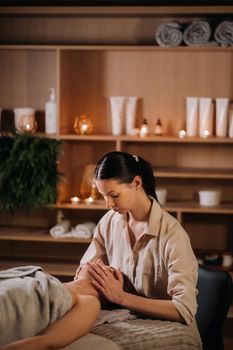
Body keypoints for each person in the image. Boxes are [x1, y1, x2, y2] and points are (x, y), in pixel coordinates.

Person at [75, 151, 200, 332]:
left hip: (167, 326)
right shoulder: (109, 221)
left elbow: (184, 309)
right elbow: (87, 272)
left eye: (114, 195)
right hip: (124, 317)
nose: (108, 204)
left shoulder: (172, 235)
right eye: (103, 196)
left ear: (137, 183)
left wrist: (121, 297)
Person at [0, 264, 102, 350]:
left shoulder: (90, 302)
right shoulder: (38, 274)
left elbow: (46, 341)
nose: (99, 261)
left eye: (110, 269)